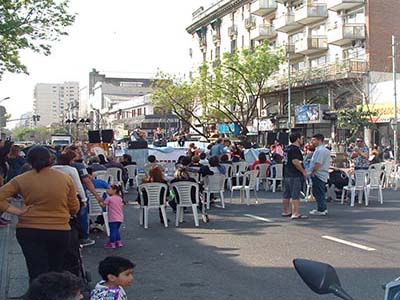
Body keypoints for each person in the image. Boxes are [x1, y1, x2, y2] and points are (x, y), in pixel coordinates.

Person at [0, 146, 79, 282]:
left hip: (29, 229)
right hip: (59, 230)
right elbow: (74, 207)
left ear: (29, 160)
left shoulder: (21, 179)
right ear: (50, 160)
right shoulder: (65, 179)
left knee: (35, 269)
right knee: (56, 267)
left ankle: (37, 293)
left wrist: (16, 211)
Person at [68, 145, 103, 247]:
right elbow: (86, 181)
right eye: (78, 152)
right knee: (82, 215)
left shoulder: (56, 166)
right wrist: (96, 195)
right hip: (78, 194)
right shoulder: (79, 166)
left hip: (63, 194)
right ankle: (84, 237)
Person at [282, 133, 308, 219]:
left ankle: (286, 211)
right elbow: (295, 161)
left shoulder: (287, 149)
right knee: (295, 195)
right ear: (297, 139)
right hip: (294, 174)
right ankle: (295, 213)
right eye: (301, 138)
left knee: (286, 194)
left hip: (286, 174)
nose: (302, 140)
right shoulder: (295, 149)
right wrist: (303, 171)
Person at [308, 134, 331, 216]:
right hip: (321, 174)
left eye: (313, 140)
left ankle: (322, 209)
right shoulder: (321, 150)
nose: (312, 142)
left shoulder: (321, 151)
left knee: (319, 192)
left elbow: (318, 163)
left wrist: (313, 171)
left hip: (319, 174)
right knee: (318, 192)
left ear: (319, 140)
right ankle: (321, 208)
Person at [104, 184, 124, 249]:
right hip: (120, 217)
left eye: (109, 189)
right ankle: (119, 241)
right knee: (116, 230)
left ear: (114, 190)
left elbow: (103, 205)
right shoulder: (119, 198)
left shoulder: (109, 198)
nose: (107, 190)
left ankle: (112, 242)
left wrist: (100, 202)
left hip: (112, 218)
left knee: (112, 230)